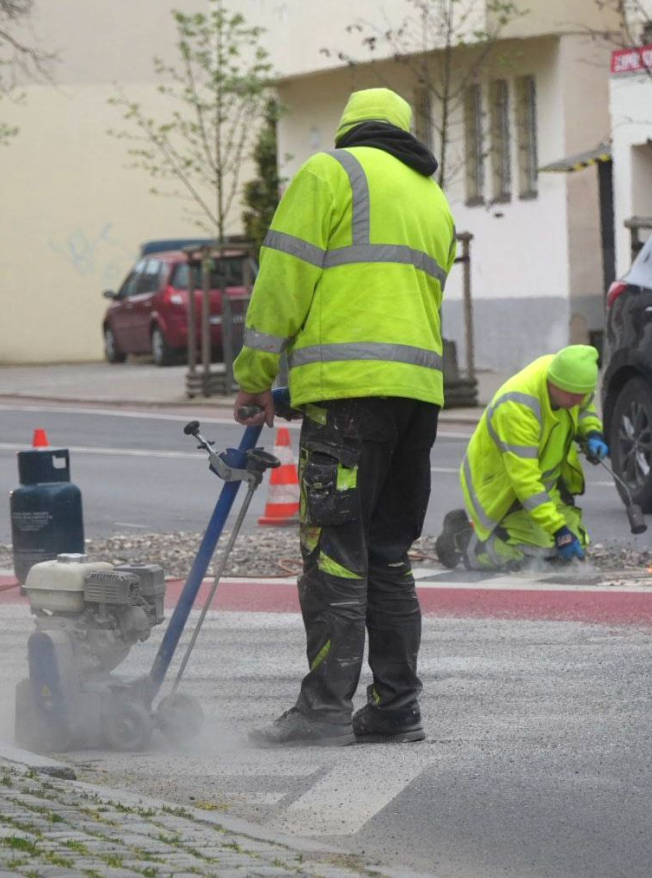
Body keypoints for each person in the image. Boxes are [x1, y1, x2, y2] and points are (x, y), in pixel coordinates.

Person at [232, 88, 456, 747]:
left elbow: (285, 280)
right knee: (388, 556)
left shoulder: (331, 173)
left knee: (334, 552)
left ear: (350, 127)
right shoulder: (431, 199)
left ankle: (323, 709)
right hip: (417, 401)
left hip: (347, 404)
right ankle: (396, 707)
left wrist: (255, 376)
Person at [436, 345, 608, 571]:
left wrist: (591, 432)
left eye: (583, 394)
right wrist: (559, 530)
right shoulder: (518, 408)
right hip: (503, 490)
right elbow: (524, 481)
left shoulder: (568, 377)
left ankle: (539, 536)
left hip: (541, 487)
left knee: (575, 545)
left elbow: (584, 409)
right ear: (554, 383)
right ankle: (465, 539)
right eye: (573, 395)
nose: (578, 401)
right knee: (529, 556)